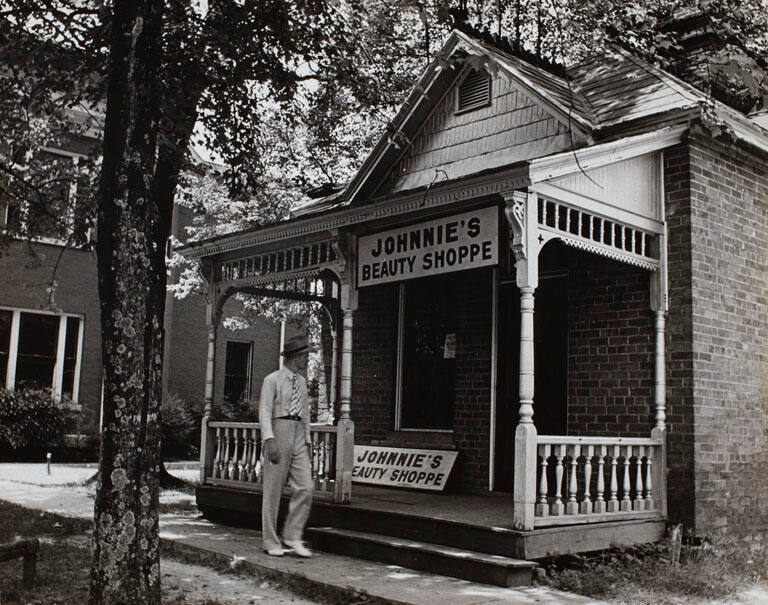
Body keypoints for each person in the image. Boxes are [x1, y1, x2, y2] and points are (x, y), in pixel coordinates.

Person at [258, 334, 313, 557]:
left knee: (306, 487)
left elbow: (306, 414)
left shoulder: (302, 382)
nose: (306, 361)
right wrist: (269, 439)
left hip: (298, 432)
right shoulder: (272, 380)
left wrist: (307, 440)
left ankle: (292, 535)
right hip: (278, 429)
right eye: (304, 356)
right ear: (293, 357)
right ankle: (270, 541)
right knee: (273, 490)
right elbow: (264, 410)